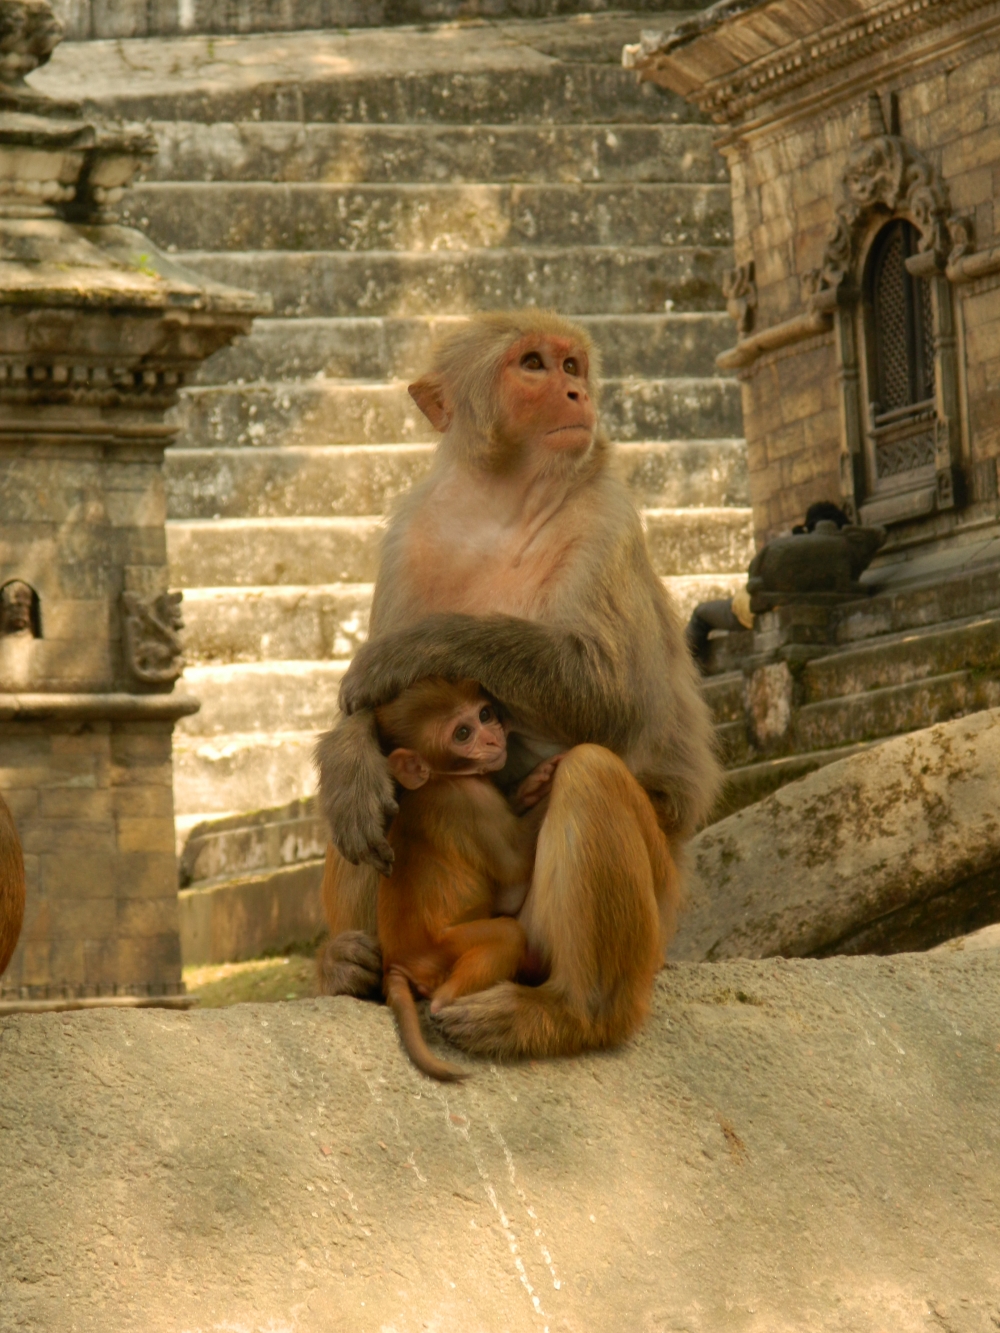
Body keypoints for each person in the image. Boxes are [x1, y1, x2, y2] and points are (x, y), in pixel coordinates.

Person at [685, 502, 850, 669]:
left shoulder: (796, 546)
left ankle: (683, 671)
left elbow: (757, 575)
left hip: (756, 606)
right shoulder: (844, 548)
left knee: (700, 613)